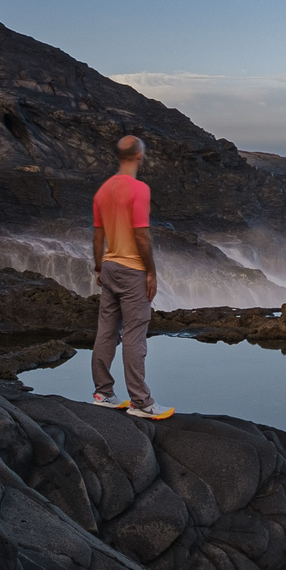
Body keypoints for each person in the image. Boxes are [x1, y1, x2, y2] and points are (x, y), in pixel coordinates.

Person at [89, 135, 175, 419]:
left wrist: (99, 267)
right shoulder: (138, 189)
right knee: (134, 335)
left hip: (110, 267)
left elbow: (98, 234)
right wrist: (150, 271)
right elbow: (141, 234)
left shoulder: (102, 191)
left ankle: (103, 393)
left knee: (106, 331)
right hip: (132, 270)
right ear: (139, 156)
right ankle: (141, 402)